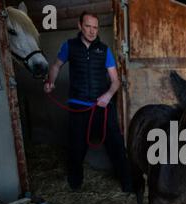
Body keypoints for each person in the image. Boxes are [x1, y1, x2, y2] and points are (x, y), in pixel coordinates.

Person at [44, 11, 132, 193]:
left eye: (95, 27)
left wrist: (108, 95)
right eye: (88, 26)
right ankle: (75, 184)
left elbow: (115, 81)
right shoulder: (69, 46)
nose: (92, 31)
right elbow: (56, 65)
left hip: (103, 106)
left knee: (116, 144)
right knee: (76, 147)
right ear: (79, 26)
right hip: (78, 105)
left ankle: (128, 185)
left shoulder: (104, 50)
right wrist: (50, 81)